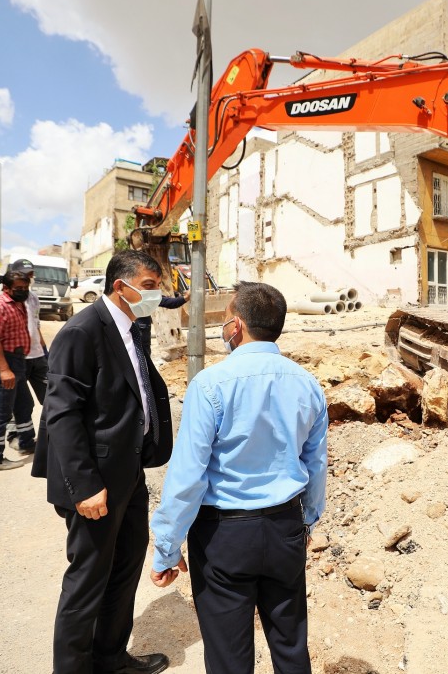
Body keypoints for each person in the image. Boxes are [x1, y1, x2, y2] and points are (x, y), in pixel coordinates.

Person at [150, 281, 329, 674]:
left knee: (229, 656)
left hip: (223, 537)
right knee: (290, 644)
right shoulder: (307, 384)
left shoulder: (210, 384)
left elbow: (187, 477)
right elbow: (315, 464)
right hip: (284, 526)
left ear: (236, 327)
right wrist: (308, 521)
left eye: (228, 320)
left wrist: (167, 545)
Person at [32, 249, 174, 674]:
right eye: (149, 287)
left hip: (127, 473)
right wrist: (85, 485)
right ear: (121, 286)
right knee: (88, 580)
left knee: (126, 566)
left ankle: (110, 656)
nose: (156, 295)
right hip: (95, 481)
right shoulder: (82, 331)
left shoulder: (133, 326)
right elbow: (61, 413)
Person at [0, 270, 36, 470]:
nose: (23, 291)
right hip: (4, 362)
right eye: (18, 288)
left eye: (26, 288)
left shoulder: (18, 303)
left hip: (18, 362)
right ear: (6, 287)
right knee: (1, 412)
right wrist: (4, 370)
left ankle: (26, 443)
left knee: (24, 405)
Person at [4, 258, 48, 454]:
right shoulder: (5, 299)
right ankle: (19, 438)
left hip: (37, 356)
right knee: (21, 402)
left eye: (30, 274)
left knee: (51, 395)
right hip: (17, 358)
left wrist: (44, 350)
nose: (28, 278)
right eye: (24, 274)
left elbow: (36, 325)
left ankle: (53, 436)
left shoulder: (33, 298)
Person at [134, 289, 191, 356]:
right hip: (140, 330)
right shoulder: (144, 295)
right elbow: (169, 303)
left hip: (142, 328)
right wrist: (186, 298)